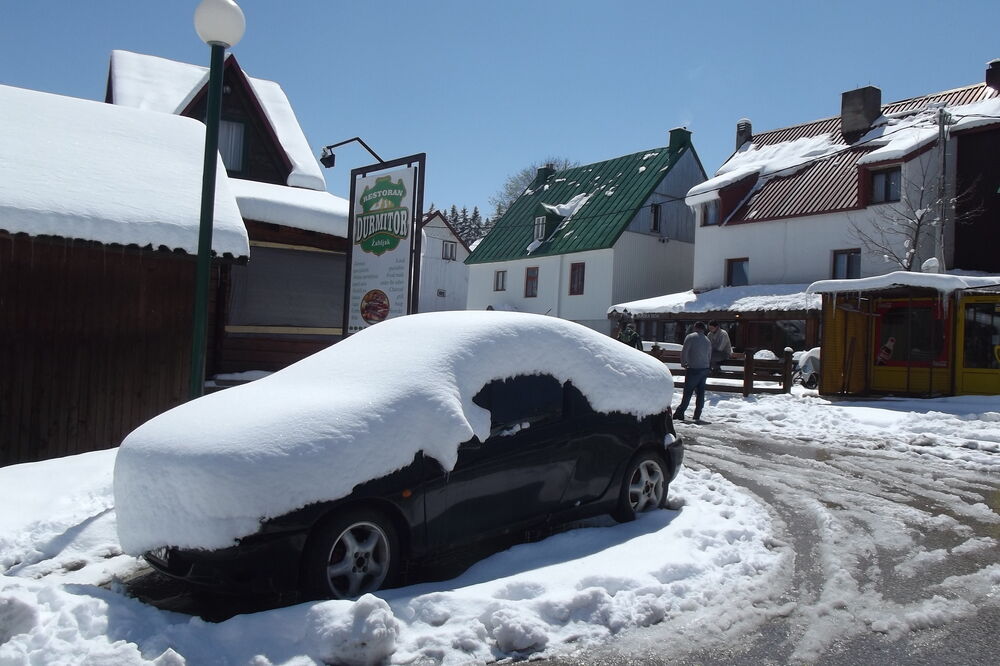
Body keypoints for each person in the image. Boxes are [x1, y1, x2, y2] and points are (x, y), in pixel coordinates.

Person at [673, 321, 711, 422]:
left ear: (695, 327)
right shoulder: (707, 340)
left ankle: (680, 413)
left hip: (693, 368)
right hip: (704, 368)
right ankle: (697, 414)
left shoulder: (690, 337)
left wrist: (683, 363)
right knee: (701, 393)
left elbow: (684, 351)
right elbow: (709, 355)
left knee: (688, 392)